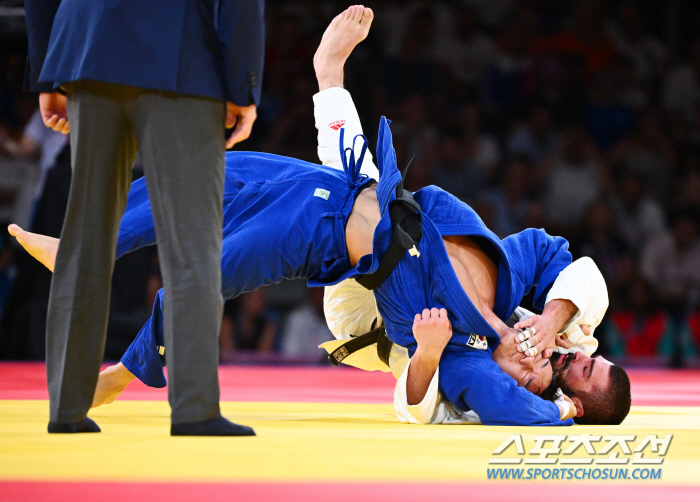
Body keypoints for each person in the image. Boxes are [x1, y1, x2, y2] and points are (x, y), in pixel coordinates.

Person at [13, 6, 612, 426]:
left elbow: (508, 410)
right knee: (213, 175)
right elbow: (567, 259)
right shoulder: (512, 280)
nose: (539, 360)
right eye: (558, 358)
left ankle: (121, 373)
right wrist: (553, 320)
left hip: (324, 246)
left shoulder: (462, 353)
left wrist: (440, 358)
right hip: (343, 187)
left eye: (539, 375)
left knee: (203, 277)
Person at [23, 0, 264, 435]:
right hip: (180, 57)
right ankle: (194, 408)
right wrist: (241, 85)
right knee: (192, 243)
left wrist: (49, 67)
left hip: (87, 51)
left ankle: (67, 408)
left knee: (84, 237)